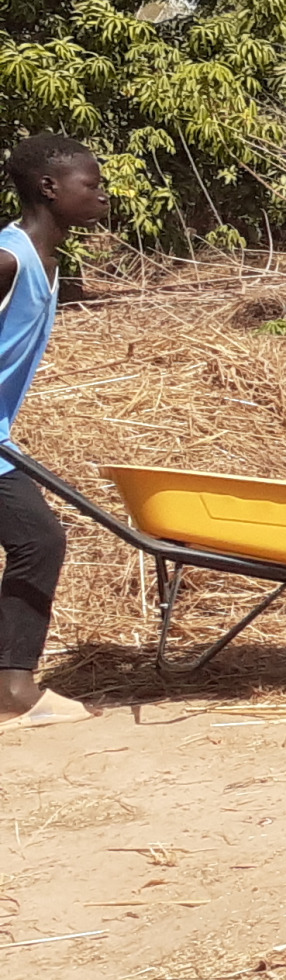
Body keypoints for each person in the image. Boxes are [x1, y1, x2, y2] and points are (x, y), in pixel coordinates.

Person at [0, 136, 109, 727]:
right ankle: (13, 693)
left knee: (37, 541)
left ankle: (12, 690)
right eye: (91, 186)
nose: (103, 196)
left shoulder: (49, 262)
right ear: (49, 188)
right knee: (38, 539)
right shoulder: (8, 260)